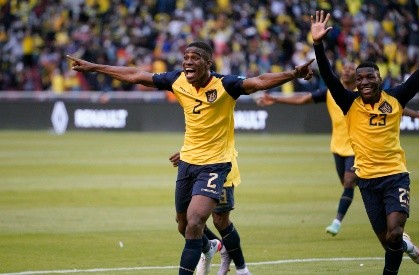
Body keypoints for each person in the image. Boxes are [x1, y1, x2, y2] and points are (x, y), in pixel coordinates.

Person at [68, 41, 314, 275]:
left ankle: (239, 266)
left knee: (198, 222)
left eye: (194, 58)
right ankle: (211, 247)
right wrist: (93, 67)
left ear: (208, 63)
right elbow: (136, 75)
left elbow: (259, 81)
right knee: (183, 225)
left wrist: (293, 73)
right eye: (185, 57)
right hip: (187, 162)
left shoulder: (225, 85)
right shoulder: (177, 80)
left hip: (217, 164)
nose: (187, 62)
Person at [310, 6, 419, 274]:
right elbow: (330, 77)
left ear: (380, 78)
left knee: (394, 233)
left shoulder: (396, 97)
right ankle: (406, 245)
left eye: (370, 76)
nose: (364, 81)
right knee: (388, 242)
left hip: (395, 176)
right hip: (366, 181)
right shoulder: (349, 102)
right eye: (360, 79)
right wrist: (317, 44)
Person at [257, 62, 419, 237]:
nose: (347, 71)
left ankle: (338, 221)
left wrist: (418, 114)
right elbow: (303, 99)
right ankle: (386, 212)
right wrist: (275, 98)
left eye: (351, 69)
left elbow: (392, 107)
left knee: (350, 181)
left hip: (357, 148)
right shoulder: (333, 94)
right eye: (345, 69)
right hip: (337, 147)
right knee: (347, 185)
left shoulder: (364, 95)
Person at [169, 149, 247, 275]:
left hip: (220, 165)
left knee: (219, 220)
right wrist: (189, 152)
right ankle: (213, 246)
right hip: (195, 164)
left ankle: (242, 270)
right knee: (184, 221)